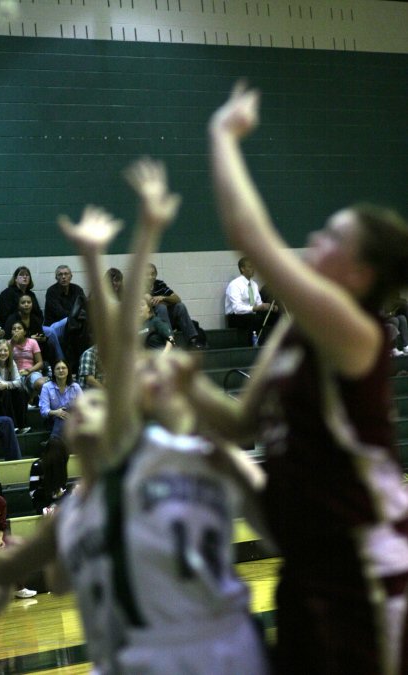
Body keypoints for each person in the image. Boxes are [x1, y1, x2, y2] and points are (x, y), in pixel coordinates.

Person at [0, 158, 270, 675]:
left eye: (99, 401)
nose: (87, 404)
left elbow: (120, 340)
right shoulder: (75, 511)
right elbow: (10, 569)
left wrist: (124, 238)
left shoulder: (183, 459)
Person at [184, 84, 408, 675]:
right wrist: (182, 388)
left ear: (360, 274)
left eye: (332, 237)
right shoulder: (294, 331)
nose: (314, 242)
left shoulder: (358, 331)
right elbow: (239, 421)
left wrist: (223, 134)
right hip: (307, 571)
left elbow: (249, 234)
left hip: (367, 574)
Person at [146, 263, 204, 349]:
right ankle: (170, 340)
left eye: (153, 274)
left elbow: (177, 299)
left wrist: (163, 298)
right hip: (151, 321)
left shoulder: (160, 284)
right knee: (161, 307)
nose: (151, 277)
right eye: (147, 274)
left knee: (180, 306)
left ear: (156, 274)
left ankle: (193, 340)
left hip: (165, 318)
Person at [0, 339, 30, 433]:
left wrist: (7, 384)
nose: (3, 353)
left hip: (4, 389)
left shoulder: (11, 361)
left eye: (5, 350)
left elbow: (19, 382)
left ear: (9, 351)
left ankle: (22, 425)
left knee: (21, 391)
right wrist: (10, 384)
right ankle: (12, 426)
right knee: (5, 392)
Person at [225, 256, 279, 340]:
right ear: (242, 269)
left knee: (276, 316)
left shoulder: (254, 285)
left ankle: (274, 342)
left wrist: (269, 307)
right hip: (235, 316)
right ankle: (252, 344)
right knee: (256, 319)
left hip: (251, 314)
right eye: (250, 266)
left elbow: (259, 304)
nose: (253, 269)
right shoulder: (235, 285)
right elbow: (237, 309)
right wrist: (255, 308)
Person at [39, 360, 82, 438]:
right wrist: (56, 412)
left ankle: (54, 442)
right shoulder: (46, 387)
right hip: (53, 420)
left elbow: (83, 407)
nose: (61, 370)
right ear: (54, 372)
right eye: (58, 368)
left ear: (68, 371)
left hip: (73, 419)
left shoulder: (75, 387)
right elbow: (43, 411)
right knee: (61, 418)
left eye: (63, 368)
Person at [0, 266, 43, 331]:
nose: (25, 277)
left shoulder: (31, 294)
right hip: (11, 328)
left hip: (31, 327)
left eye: (27, 275)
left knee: (50, 332)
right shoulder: (7, 293)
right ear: (15, 279)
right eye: (21, 275)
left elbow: (38, 314)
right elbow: (4, 316)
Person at [29, 436, 68, 515]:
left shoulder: (61, 463)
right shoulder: (37, 466)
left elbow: (63, 485)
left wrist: (61, 492)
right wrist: (51, 494)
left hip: (59, 500)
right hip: (42, 501)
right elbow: (32, 492)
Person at [10, 321, 47, 401]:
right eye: (14, 329)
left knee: (41, 383)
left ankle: (35, 399)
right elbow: (5, 362)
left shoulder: (32, 342)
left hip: (31, 371)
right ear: (11, 332)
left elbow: (40, 363)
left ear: (24, 332)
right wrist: (12, 344)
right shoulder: (8, 344)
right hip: (15, 374)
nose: (16, 330)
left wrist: (29, 370)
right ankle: (31, 399)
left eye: (19, 328)